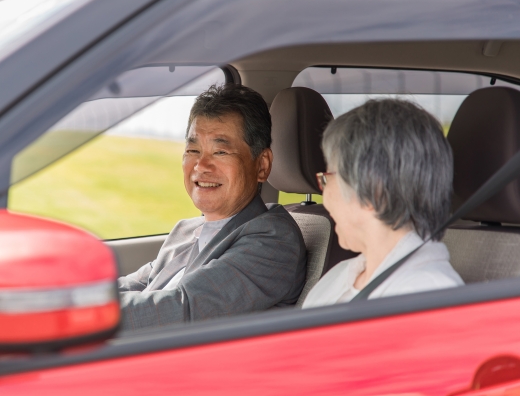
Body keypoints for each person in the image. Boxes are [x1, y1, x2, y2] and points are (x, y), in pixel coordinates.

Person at [119, 84, 307, 330]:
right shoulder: (188, 230)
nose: (200, 165)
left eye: (220, 151)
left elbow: (181, 309)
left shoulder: (274, 242)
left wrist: (78, 316)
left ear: (261, 165)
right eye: (193, 150)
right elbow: (137, 284)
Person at [302, 98, 463, 309]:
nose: (325, 195)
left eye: (327, 178)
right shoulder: (341, 275)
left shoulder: (429, 297)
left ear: (373, 190)